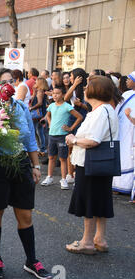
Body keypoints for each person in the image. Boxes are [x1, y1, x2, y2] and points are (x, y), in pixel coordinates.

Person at [0, 68, 52, 279]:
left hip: (21, 163)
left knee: (25, 214)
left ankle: (31, 260)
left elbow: (31, 139)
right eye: (3, 82)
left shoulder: (21, 106)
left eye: (11, 81)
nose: (9, 85)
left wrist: (36, 166)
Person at [65, 75, 122, 254]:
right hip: (100, 164)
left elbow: (93, 141)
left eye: (87, 86)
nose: (84, 89)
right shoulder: (106, 110)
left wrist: (73, 140)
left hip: (90, 163)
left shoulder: (100, 112)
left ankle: (87, 242)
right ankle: (99, 238)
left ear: (95, 91)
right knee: (99, 200)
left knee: (89, 201)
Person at [41, 86, 83, 190]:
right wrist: (50, 123)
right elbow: (48, 115)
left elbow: (79, 117)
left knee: (63, 158)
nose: (55, 95)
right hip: (52, 135)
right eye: (53, 93)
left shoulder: (67, 106)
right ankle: (49, 177)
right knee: (51, 157)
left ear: (63, 95)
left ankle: (63, 179)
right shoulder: (51, 105)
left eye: (57, 93)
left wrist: (70, 128)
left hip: (62, 135)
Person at [112, 71, 135, 201]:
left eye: (130, 79)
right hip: (122, 129)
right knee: (121, 155)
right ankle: (116, 185)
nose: (126, 81)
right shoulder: (126, 94)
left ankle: (127, 185)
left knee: (129, 157)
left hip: (131, 130)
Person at [29, 77, 49, 156]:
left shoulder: (40, 91)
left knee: (38, 131)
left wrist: (31, 108)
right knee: (38, 131)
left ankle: (41, 148)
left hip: (38, 115)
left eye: (36, 82)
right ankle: (41, 148)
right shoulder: (39, 91)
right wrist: (34, 92)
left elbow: (39, 103)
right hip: (40, 114)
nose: (35, 83)